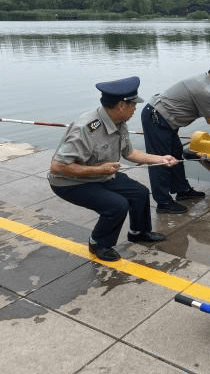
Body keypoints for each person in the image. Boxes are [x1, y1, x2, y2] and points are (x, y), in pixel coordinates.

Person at [48, 77, 178, 262]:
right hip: (69, 182)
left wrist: (161, 158)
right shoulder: (86, 128)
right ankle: (98, 243)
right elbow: (58, 167)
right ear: (121, 106)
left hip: (101, 175)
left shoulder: (118, 121)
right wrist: (99, 170)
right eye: (133, 104)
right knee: (117, 205)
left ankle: (138, 232)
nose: (135, 108)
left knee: (140, 193)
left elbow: (130, 153)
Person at [141, 59, 210, 214]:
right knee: (160, 160)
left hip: (166, 121)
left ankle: (182, 190)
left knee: (175, 153)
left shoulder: (208, 82)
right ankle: (163, 202)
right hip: (157, 119)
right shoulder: (203, 89)